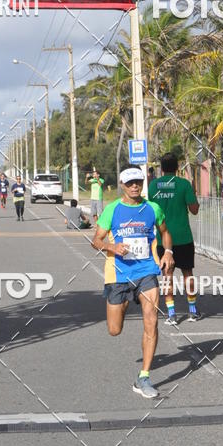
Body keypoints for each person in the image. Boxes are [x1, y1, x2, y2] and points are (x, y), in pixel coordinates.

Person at [92, 166, 175, 399]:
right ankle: (126, 301)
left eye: (138, 181)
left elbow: (165, 231)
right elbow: (96, 240)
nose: (135, 186)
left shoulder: (152, 208)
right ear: (122, 185)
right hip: (118, 275)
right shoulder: (112, 210)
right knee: (114, 330)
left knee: (152, 320)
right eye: (130, 183)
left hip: (147, 271)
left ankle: (144, 376)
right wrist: (111, 246)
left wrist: (168, 251)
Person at [148, 152, 200, 324]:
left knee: (167, 275)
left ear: (161, 168)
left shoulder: (153, 185)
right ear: (177, 168)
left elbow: (151, 211)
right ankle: (192, 311)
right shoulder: (184, 184)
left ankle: (171, 314)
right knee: (188, 274)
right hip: (183, 236)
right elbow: (194, 209)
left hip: (163, 238)